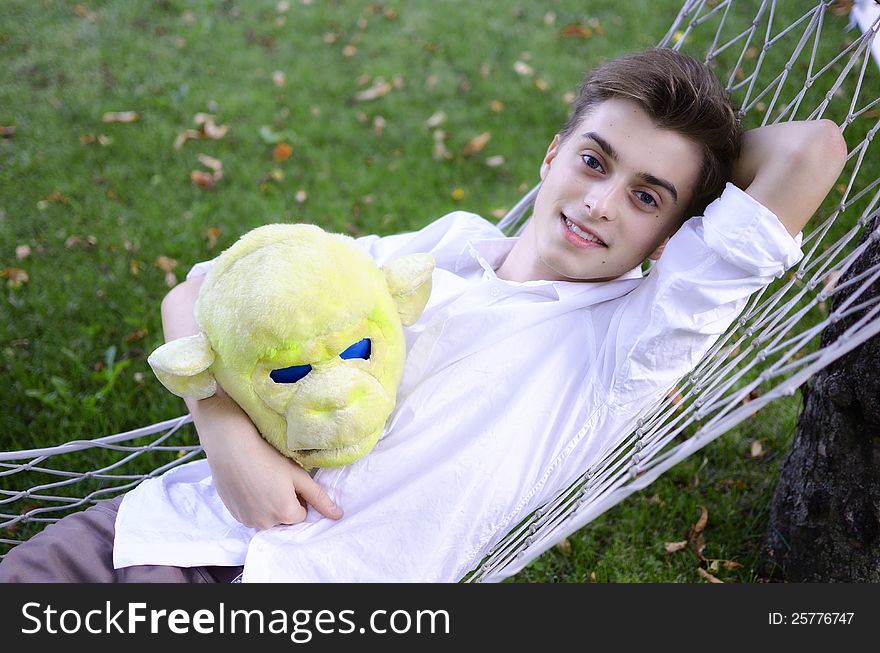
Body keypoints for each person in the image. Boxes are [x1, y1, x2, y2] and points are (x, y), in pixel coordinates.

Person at [0, 48, 847, 583]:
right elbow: (195, 292)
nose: (599, 203)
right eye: (593, 160)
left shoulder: (626, 348)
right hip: (168, 533)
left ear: (673, 238)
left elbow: (813, 151)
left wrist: (702, 182)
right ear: (552, 156)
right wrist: (226, 438)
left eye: (645, 196)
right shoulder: (443, 249)